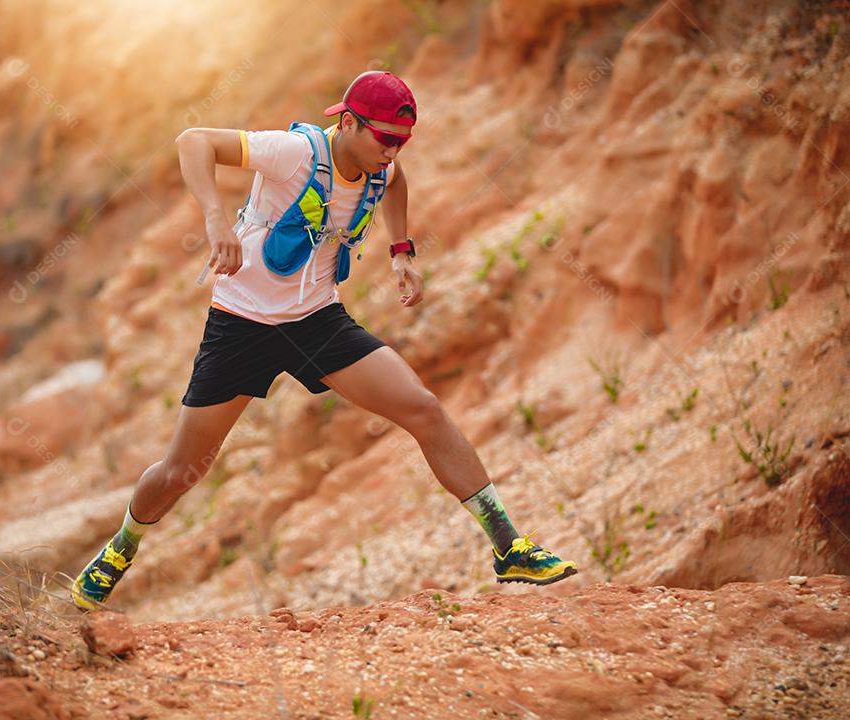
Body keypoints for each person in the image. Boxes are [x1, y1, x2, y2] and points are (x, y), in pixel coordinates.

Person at [71, 71, 576, 611]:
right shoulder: (293, 152)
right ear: (349, 123)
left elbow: (396, 182)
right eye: (385, 138)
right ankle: (122, 547)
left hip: (317, 321)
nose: (394, 151)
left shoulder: (381, 165)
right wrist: (217, 221)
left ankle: (508, 545)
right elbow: (192, 142)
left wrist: (401, 250)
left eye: (402, 141)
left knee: (424, 409)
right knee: (180, 472)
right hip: (241, 324)